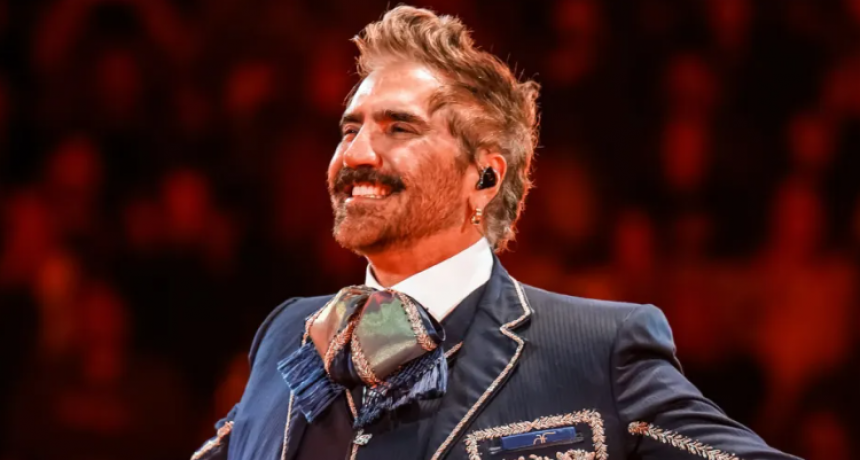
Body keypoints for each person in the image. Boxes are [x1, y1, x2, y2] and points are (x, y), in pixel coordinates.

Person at [192, 6, 800, 460]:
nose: (356, 153)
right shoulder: (289, 336)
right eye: (350, 129)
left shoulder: (597, 350)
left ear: (484, 177)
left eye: (399, 128)